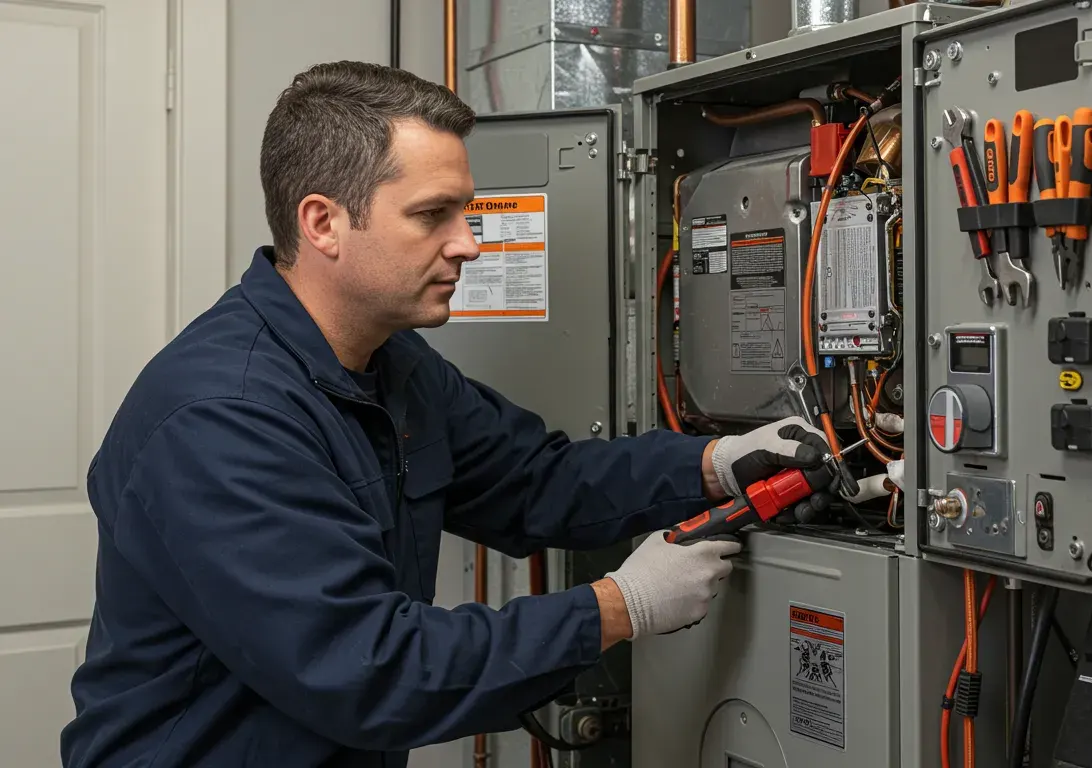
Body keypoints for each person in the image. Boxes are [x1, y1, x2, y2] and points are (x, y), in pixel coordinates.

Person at [59, 60, 833, 768]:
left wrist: (712, 464)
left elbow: (535, 480)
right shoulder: (222, 417)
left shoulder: (389, 364)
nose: (468, 244)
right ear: (323, 222)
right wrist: (617, 607)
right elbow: (369, 669)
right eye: (432, 215)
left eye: (465, 212)